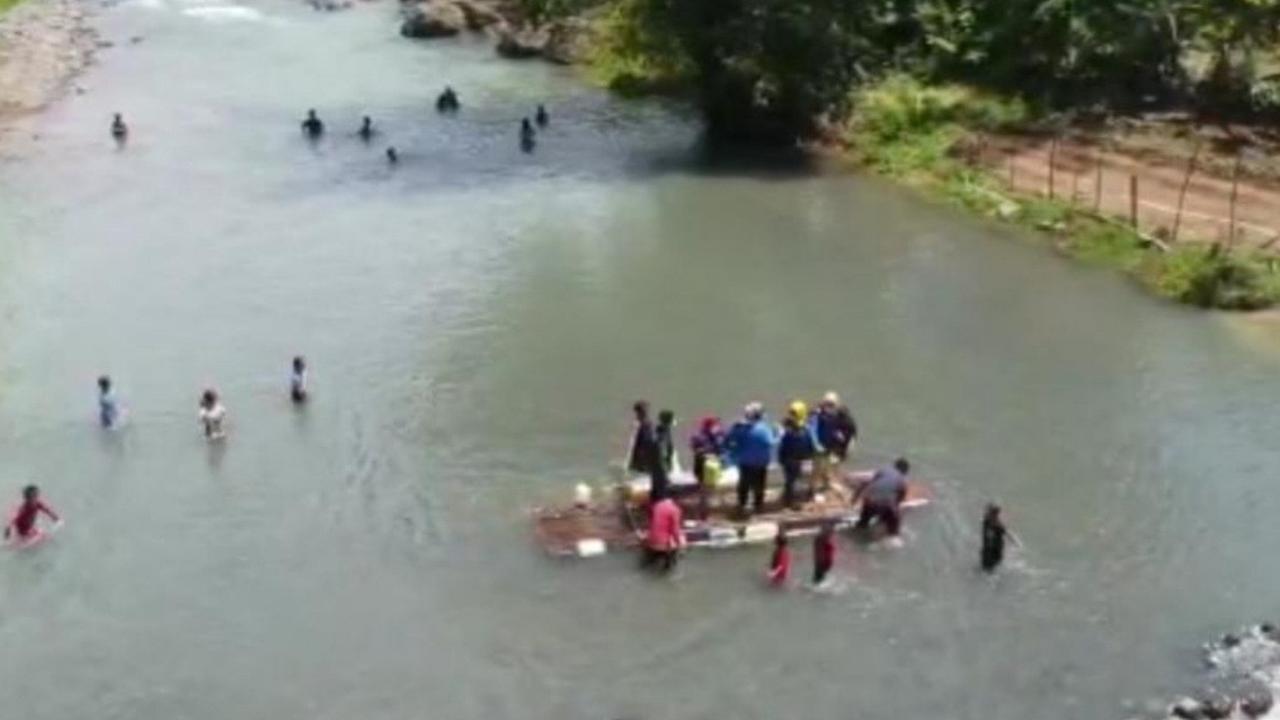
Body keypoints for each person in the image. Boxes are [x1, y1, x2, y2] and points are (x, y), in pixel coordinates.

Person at [724, 403, 777, 516]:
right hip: (760, 463)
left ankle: (742, 505)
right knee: (759, 486)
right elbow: (770, 443)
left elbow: (728, 441)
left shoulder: (739, 428)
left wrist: (734, 453)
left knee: (744, 485)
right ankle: (758, 507)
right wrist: (779, 434)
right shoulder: (763, 429)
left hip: (745, 462)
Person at [853, 457, 910, 537]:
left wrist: (854, 498)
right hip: (884, 505)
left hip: (869, 502)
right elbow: (900, 499)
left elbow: (869, 483)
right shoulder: (902, 479)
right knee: (895, 523)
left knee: (864, 520)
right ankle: (892, 536)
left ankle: (861, 526)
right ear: (904, 471)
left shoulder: (883, 470)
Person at [812, 391, 858, 490]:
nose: (829, 407)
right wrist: (816, 443)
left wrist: (840, 435)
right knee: (817, 468)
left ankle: (827, 483)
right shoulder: (817, 414)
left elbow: (850, 431)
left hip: (831, 446)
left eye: (832, 405)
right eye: (827, 404)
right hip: (819, 445)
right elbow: (812, 429)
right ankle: (814, 490)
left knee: (830, 465)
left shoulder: (841, 415)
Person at [778, 401, 817, 510]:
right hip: (802, 460)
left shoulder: (789, 433)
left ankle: (789, 500)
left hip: (791, 460)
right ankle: (798, 500)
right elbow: (811, 446)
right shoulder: (807, 431)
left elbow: (783, 446)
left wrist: (781, 458)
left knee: (791, 481)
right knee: (799, 481)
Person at [627, 401, 667, 501]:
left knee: (657, 479)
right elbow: (649, 441)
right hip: (653, 456)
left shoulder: (644, 424)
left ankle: (657, 497)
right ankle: (658, 498)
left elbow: (644, 441)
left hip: (650, 456)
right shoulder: (646, 424)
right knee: (659, 478)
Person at [690, 415, 725, 519]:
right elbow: (696, 450)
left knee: (708, 491)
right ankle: (703, 514)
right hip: (704, 468)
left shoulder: (717, 434)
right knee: (704, 492)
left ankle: (706, 511)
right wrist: (707, 453)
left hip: (711, 468)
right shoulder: (699, 437)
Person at [642, 494, 685, 573]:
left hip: (651, 540)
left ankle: (651, 561)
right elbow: (675, 530)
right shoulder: (675, 509)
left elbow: (651, 523)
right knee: (681, 539)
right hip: (662, 544)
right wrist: (681, 546)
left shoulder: (657, 505)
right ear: (677, 499)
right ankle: (669, 567)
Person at [981, 503, 1018, 572]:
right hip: (990, 552)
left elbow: (1007, 534)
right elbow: (1007, 534)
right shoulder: (989, 523)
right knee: (989, 569)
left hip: (994, 551)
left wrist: (1014, 541)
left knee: (990, 569)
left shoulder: (993, 523)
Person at [654, 409, 676, 475]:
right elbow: (661, 443)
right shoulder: (660, 430)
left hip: (667, 455)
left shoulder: (666, 428)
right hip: (663, 456)